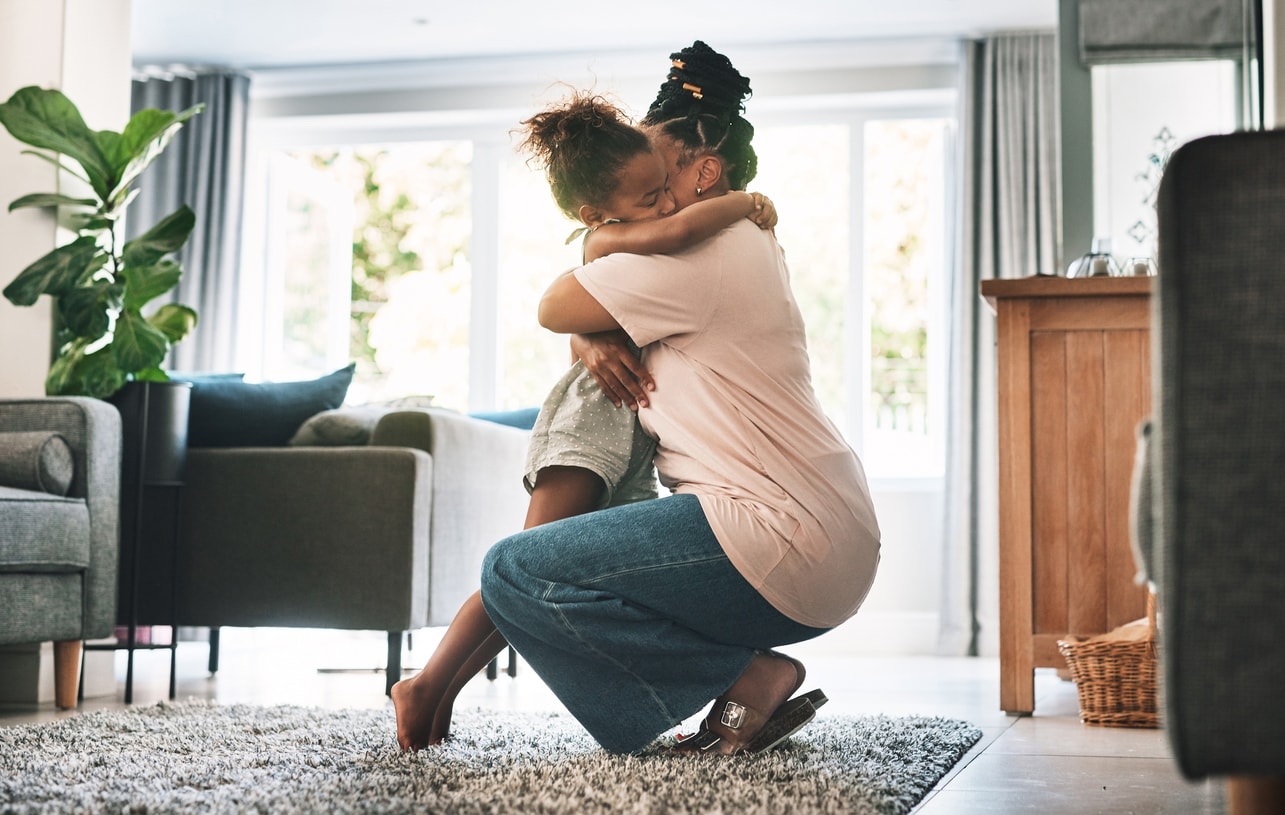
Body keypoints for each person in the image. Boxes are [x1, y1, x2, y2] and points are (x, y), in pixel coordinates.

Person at [477, 40, 882, 756]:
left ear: (704, 171)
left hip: (777, 532)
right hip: (818, 532)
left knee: (515, 567)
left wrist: (589, 307)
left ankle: (749, 674)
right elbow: (584, 318)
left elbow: (554, 304)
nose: (651, 199)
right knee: (566, 562)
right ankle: (735, 688)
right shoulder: (730, 245)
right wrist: (593, 342)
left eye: (657, 175)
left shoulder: (705, 249)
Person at [391, 88, 777, 751]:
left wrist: (591, 337)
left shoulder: (628, 231)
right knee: (526, 561)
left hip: (627, 420)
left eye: (663, 189)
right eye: (648, 196)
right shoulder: (615, 235)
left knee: (550, 571)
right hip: (594, 414)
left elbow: (610, 318)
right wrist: (745, 205)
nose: (662, 203)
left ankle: (434, 687)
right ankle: (426, 684)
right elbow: (674, 235)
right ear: (595, 212)